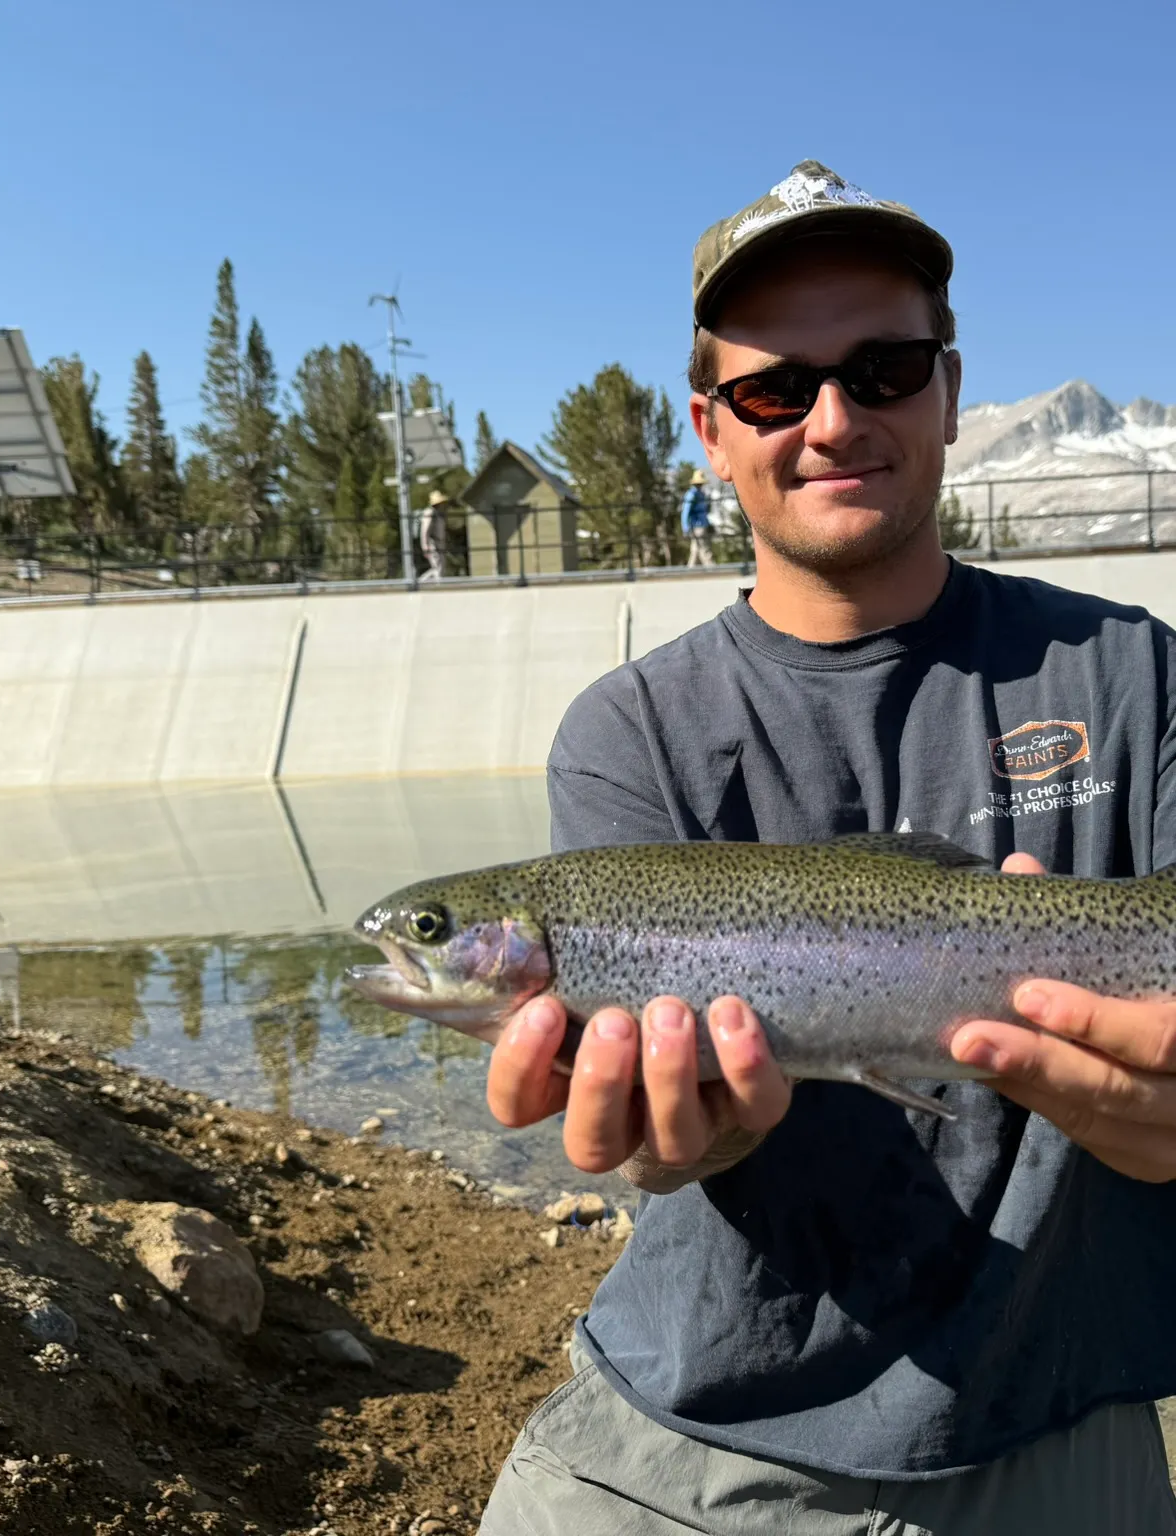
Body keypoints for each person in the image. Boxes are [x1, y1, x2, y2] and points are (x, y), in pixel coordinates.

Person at [478, 159, 1176, 1535]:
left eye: (886, 367)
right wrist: (659, 1144)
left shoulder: (1133, 677)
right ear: (710, 429)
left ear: (952, 392)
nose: (834, 419)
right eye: (775, 389)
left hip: (1060, 1426)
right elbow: (643, 1142)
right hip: (699, 1437)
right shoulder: (629, 732)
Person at [681, 468, 714, 565]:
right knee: (704, 548)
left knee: (695, 549)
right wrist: (685, 527)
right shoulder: (691, 495)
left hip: (702, 524)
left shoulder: (701, 494)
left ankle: (690, 569)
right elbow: (685, 511)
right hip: (697, 525)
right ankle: (711, 568)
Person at [420, 488, 450, 580]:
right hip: (433, 543)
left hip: (439, 543)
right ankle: (423, 583)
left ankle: (421, 582)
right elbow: (425, 530)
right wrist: (425, 545)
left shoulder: (439, 513)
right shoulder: (430, 513)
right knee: (438, 568)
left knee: (439, 567)